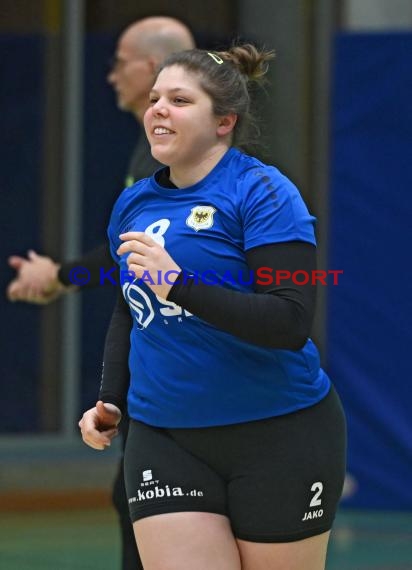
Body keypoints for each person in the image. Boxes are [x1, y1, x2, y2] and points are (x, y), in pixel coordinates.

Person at [79, 44, 347, 570]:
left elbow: (290, 321)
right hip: (164, 434)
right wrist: (111, 398)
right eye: (155, 97)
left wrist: (178, 284)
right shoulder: (135, 203)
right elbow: (129, 308)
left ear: (224, 120)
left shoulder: (263, 191)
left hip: (278, 430)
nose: (158, 108)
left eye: (179, 99)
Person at [7, 16, 196, 570]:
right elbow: (130, 257)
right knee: (136, 494)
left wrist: (62, 276)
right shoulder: (151, 151)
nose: (110, 75)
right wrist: (65, 275)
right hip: (161, 359)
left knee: (149, 496)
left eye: (118, 61)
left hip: (191, 362)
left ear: (150, 66)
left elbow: (143, 258)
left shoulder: (186, 156)